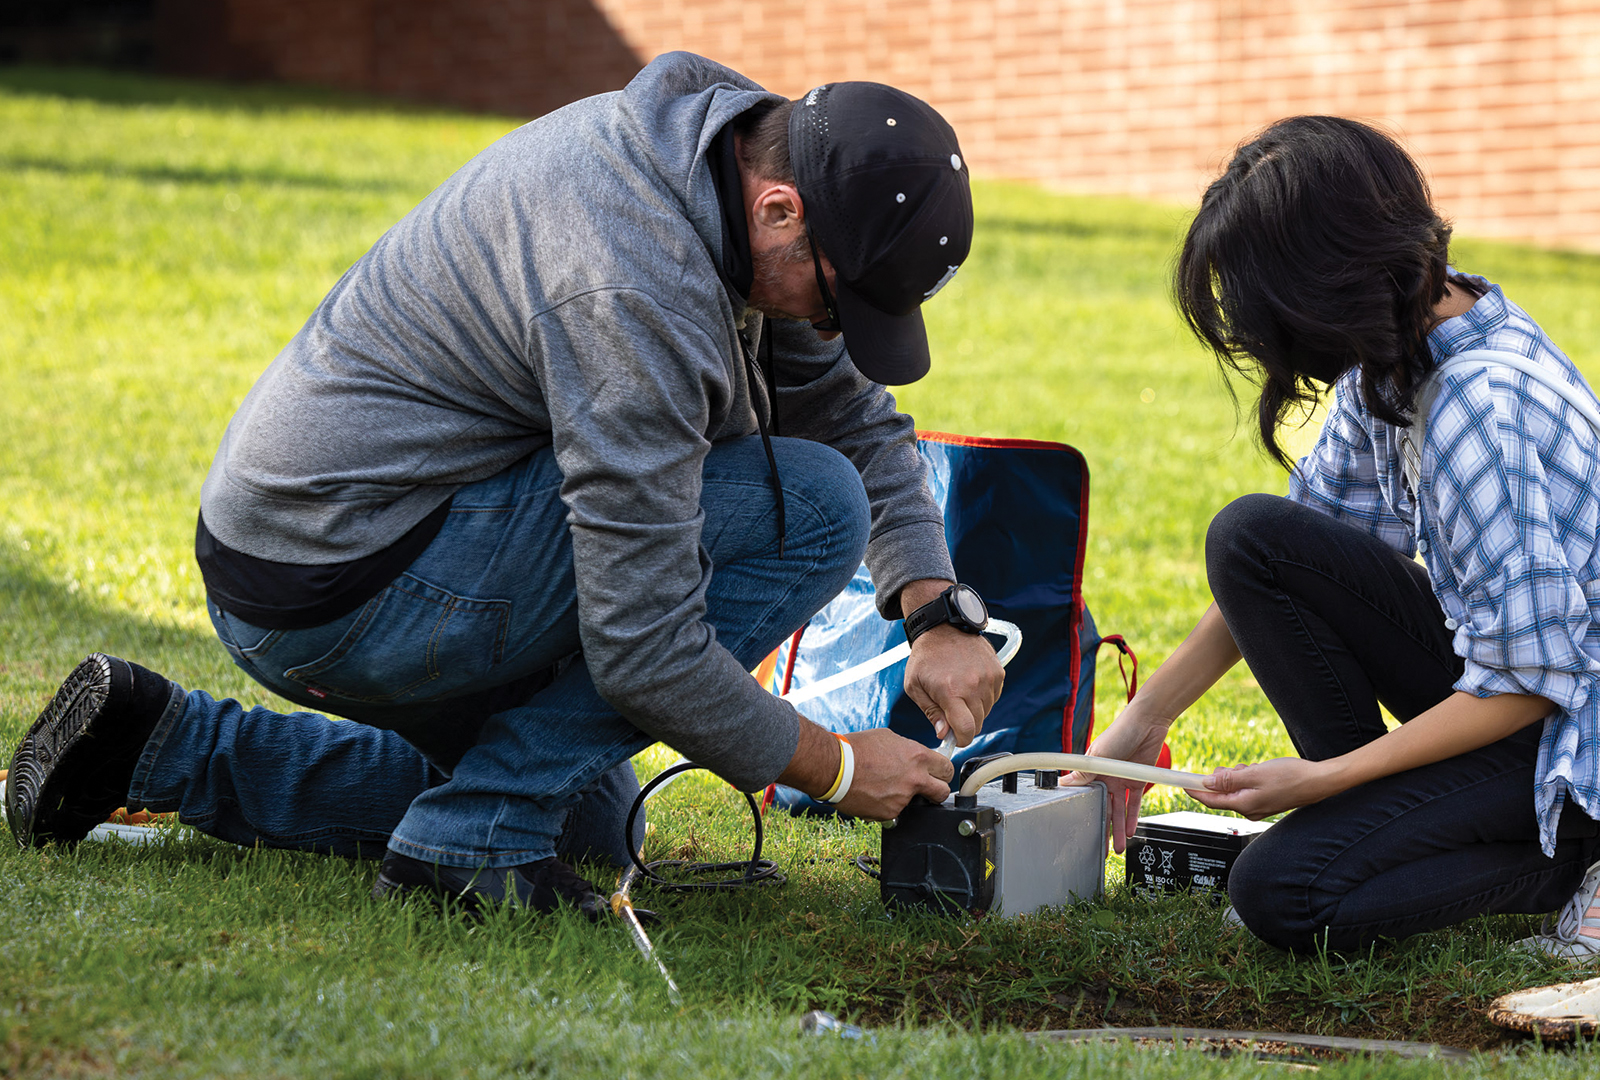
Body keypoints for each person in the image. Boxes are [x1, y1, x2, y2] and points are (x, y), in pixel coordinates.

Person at [5, 53, 1006, 917]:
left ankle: (161, 745)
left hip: (333, 548)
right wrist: (830, 766)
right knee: (815, 508)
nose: (832, 333)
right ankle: (470, 843)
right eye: (837, 304)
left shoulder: (731, 159)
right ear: (780, 209)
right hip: (344, 577)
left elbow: (848, 410)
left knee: (590, 817)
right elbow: (643, 647)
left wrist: (935, 608)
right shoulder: (629, 280)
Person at [1073, 116, 1600, 960]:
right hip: (1534, 692)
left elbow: (1530, 683)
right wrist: (1139, 726)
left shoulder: (1478, 408)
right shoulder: (1411, 338)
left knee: (1281, 894)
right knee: (1250, 537)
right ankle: (1375, 826)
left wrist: (1324, 781)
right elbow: (1303, 543)